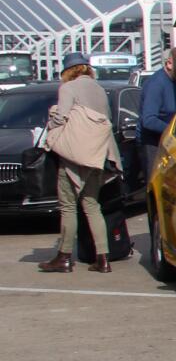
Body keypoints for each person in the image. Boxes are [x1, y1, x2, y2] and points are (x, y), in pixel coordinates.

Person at [37, 52, 122, 273]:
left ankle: (64, 257)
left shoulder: (68, 88)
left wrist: (50, 123)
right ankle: (103, 258)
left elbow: (61, 118)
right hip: (97, 155)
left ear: (68, 71)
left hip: (74, 156)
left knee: (68, 207)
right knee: (92, 206)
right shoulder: (99, 89)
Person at [137, 47, 176, 184]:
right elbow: (149, 120)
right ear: (169, 64)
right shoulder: (156, 84)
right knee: (155, 183)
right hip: (153, 143)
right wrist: (174, 130)